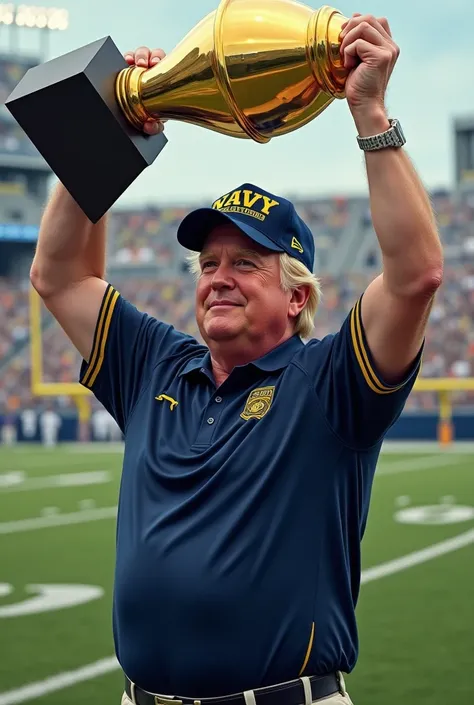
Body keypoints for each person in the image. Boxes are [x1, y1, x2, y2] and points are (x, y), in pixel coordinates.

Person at [31, 13, 443, 705]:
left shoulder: (329, 384)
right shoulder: (157, 364)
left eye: (245, 262)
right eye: (208, 261)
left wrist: (369, 111)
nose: (217, 275)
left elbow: (415, 276)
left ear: (295, 296)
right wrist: (116, 131)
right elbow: (59, 274)